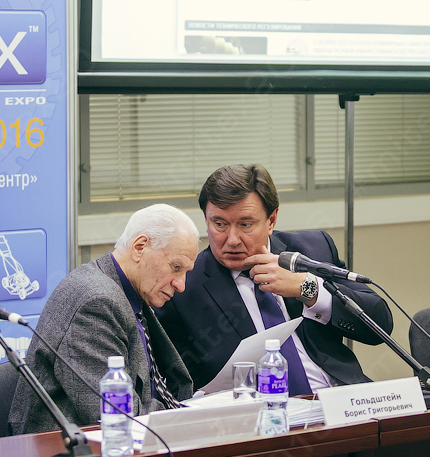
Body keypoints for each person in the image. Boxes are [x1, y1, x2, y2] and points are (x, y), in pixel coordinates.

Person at [156, 164, 394, 393]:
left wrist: (308, 289)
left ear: (271, 221)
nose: (232, 240)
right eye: (219, 224)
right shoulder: (183, 286)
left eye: (245, 224)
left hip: (341, 398)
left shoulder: (312, 249)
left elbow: (380, 326)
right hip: (261, 412)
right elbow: (176, 385)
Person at [9, 204, 198, 433]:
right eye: (176, 267)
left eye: (186, 272)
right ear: (139, 248)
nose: (181, 285)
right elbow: (118, 416)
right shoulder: (96, 302)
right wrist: (184, 416)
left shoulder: (128, 290)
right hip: (65, 448)